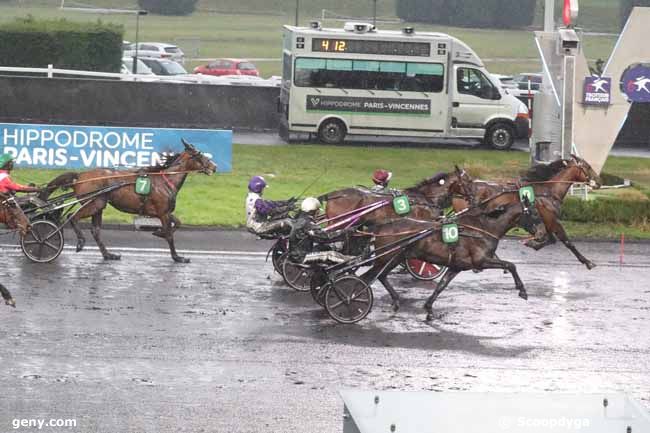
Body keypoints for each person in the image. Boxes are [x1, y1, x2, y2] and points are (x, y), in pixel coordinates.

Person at [288, 197, 354, 265]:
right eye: (318, 210)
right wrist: (344, 232)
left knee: (327, 247)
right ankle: (351, 261)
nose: (319, 212)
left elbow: (318, 237)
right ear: (314, 211)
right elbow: (324, 237)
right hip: (301, 257)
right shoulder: (307, 223)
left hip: (297, 253)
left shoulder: (301, 219)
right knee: (330, 255)